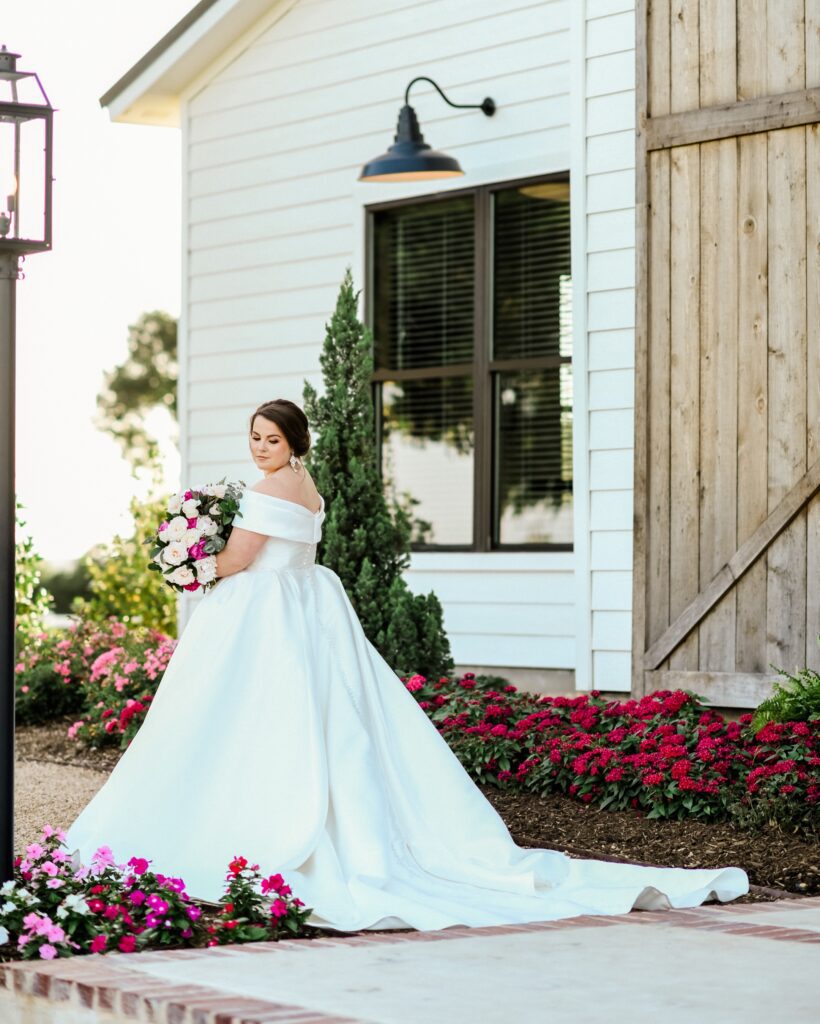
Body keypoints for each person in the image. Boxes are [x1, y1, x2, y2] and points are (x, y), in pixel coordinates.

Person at [65, 398, 749, 932]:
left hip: (265, 613)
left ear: (294, 442)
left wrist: (188, 565)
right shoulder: (307, 488)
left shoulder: (268, 489)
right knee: (319, 718)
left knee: (242, 717)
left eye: (271, 438)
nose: (260, 446)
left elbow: (241, 559)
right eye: (254, 436)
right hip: (308, 605)